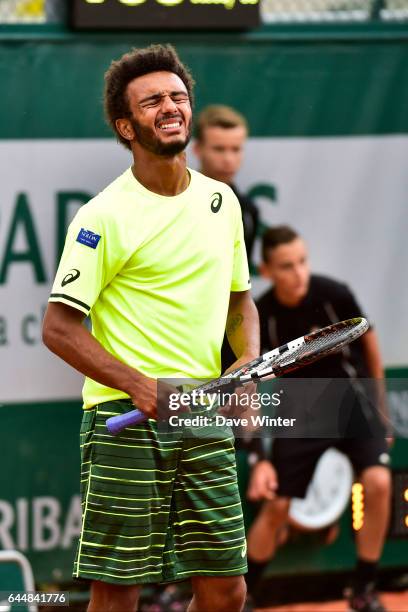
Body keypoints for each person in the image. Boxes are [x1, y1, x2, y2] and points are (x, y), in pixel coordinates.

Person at [42, 44, 260, 612]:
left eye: (178, 97)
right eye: (152, 101)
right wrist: (142, 385)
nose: (170, 107)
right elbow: (58, 328)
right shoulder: (103, 215)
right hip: (123, 419)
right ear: (126, 125)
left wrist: (247, 363)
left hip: (200, 416)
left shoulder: (223, 201)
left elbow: (241, 302)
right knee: (117, 595)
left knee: (226, 589)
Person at [245, 225, 392, 612]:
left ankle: (362, 587)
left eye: (303, 262)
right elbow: (250, 386)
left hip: (351, 404)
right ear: (266, 270)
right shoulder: (263, 314)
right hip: (301, 413)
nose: (299, 274)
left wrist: (381, 412)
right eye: (287, 266)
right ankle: (243, 595)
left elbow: (370, 348)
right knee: (276, 508)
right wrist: (258, 457)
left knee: (378, 482)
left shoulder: (334, 295)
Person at [193, 104, 259, 264]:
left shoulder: (249, 211)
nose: (228, 159)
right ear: (197, 149)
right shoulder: (174, 201)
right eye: (219, 149)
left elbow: (241, 280)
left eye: (236, 149)